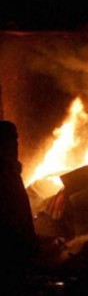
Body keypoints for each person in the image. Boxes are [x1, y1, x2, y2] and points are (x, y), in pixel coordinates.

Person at [0, 121, 36, 294]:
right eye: (11, 140)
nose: (15, 145)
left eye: (16, 140)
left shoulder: (11, 172)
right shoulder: (6, 174)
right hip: (10, 252)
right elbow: (14, 213)